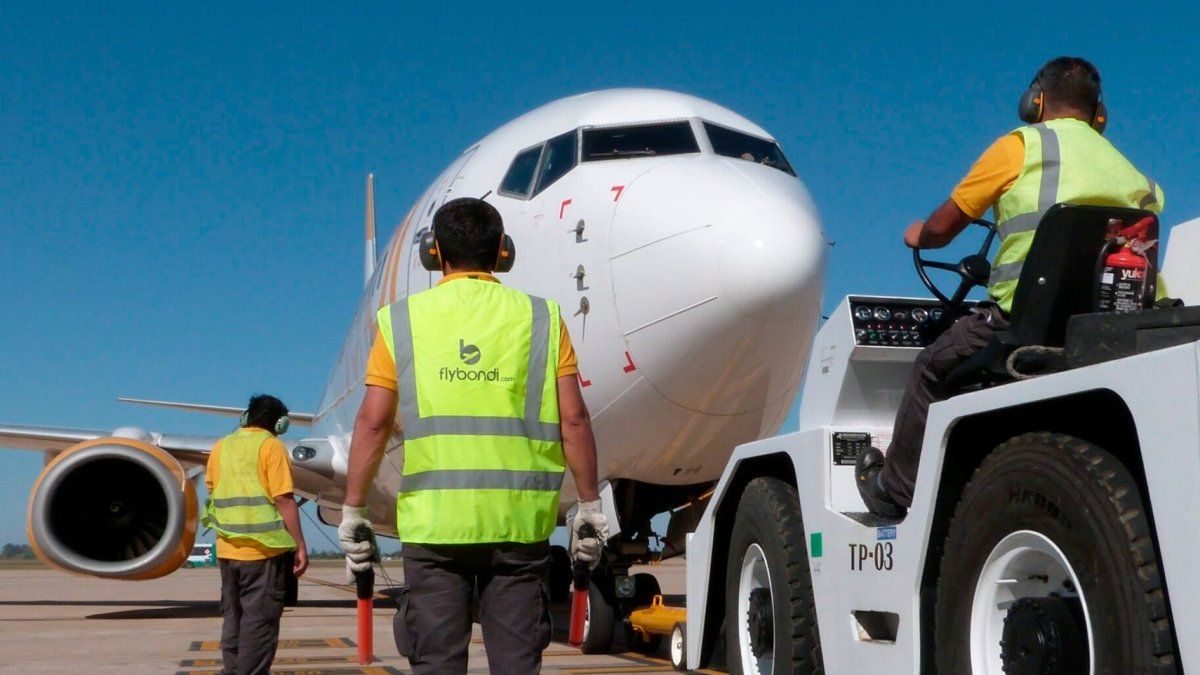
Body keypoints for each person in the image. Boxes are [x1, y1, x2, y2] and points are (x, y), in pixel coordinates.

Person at [856, 56, 1166, 519]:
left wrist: (919, 234)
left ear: (1035, 102)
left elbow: (943, 227)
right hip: (1116, 327)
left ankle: (893, 492)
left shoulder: (1019, 147)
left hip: (1024, 324)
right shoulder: (1136, 176)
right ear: (1099, 114)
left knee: (930, 368)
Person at [337, 197, 607, 675]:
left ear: (434, 253)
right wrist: (588, 506)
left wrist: (354, 510)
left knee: (436, 663)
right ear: (504, 251)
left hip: (435, 530)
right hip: (519, 531)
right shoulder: (542, 319)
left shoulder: (401, 321)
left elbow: (373, 423)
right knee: (517, 666)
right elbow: (575, 421)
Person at [203, 394, 308, 675]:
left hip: (227, 551)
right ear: (281, 423)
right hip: (263, 552)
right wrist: (299, 544)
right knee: (259, 624)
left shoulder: (220, 447)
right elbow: (284, 499)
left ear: (246, 417)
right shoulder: (271, 447)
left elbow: (212, 491)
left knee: (233, 620)